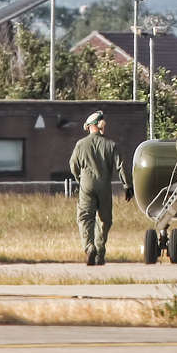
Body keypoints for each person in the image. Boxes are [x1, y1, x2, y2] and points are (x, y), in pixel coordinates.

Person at [69, 110, 132, 265]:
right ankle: (99, 252)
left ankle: (89, 247)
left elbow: (73, 165)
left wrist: (80, 179)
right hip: (104, 185)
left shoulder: (80, 144)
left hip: (86, 184)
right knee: (104, 219)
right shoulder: (111, 145)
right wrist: (127, 186)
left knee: (85, 217)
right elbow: (121, 166)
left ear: (91, 127)